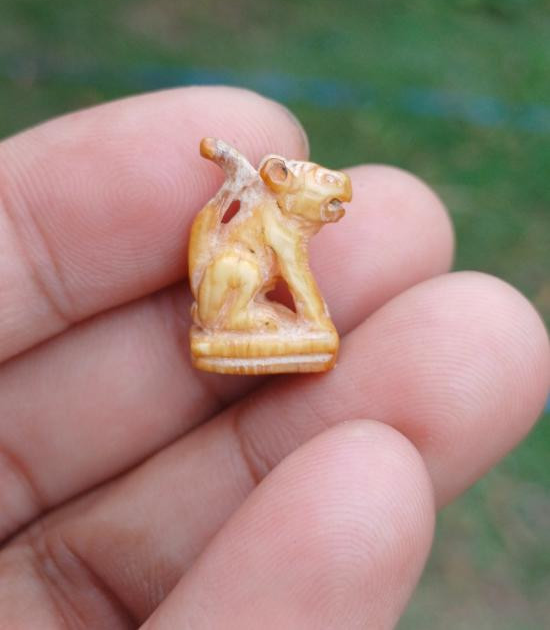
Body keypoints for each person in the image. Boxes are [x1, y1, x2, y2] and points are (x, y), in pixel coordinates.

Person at [0, 86, 548, 629]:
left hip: (237, 296)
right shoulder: (276, 222)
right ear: (285, 184)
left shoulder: (279, 216)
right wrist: (315, 324)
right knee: (241, 272)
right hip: (227, 292)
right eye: (322, 193)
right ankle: (236, 320)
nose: (333, 202)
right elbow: (296, 276)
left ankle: (244, 317)